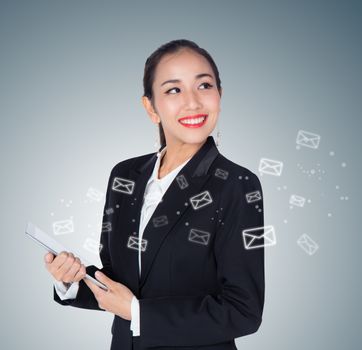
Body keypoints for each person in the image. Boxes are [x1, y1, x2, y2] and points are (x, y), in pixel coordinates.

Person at [44, 39, 265, 350]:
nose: (193, 102)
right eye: (173, 90)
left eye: (204, 86)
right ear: (151, 107)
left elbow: (244, 311)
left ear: (220, 95)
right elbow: (122, 281)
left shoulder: (236, 184)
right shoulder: (125, 175)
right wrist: (68, 281)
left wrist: (137, 313)